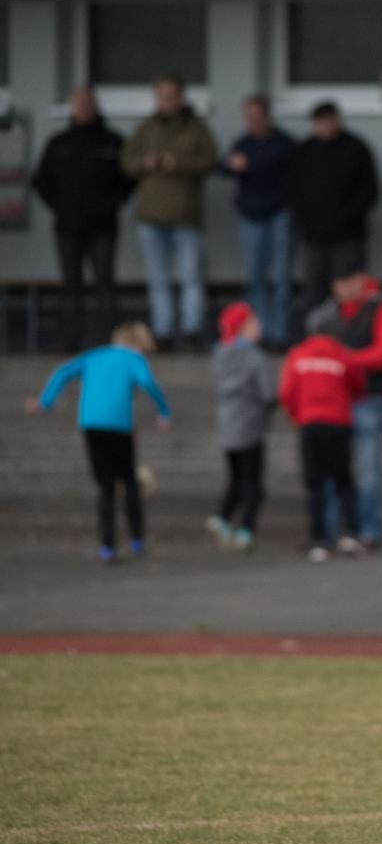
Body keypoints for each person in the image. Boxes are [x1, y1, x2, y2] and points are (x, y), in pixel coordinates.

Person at [26, 322, 171, 562]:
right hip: (120, 427)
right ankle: (137, 540)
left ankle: (108, 546)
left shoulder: (94, 355)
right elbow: (147, 382)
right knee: (129, 482)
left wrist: (46, 401)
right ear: (139, 344)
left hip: (91, 424)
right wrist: (164, 411)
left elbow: (63, 372)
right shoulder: (134, 359)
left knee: (106, 486)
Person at [30, 85, 136, 352]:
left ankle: (110, 339)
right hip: (68, 226)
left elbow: (128, 180)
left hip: (103, 226)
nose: (84, 108)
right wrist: (59, 207)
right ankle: (69, 337)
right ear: (72, 107)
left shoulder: (112, 141)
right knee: (70, 285)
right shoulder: (59, 142)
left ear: (95, 105)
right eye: (79, 103)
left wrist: (110, 205)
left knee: (105, 284)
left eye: (88, 103)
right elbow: (41, 181)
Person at [120, 73, 218, 351]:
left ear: (181, 97)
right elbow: (126, 162)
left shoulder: (196, 127)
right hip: (151, 217)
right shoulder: (147, 128)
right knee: (158, 280)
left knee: (191, 278)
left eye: (171, 95)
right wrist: (146, 163)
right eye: (161, 96)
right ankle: (162, 333)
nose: (166, 101)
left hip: (186, 216)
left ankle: (191, 332)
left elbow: (211, 160)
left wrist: (176, 162)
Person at [280, 308, 365, 563]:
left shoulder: (298, 355)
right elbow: (358, 384)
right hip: (338, 423)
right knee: (344, 481)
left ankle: (318, 540)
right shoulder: (342, 354)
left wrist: (298, 416)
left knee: (315, 483)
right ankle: (350, 534)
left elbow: (287, 393)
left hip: (310, 424)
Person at [287, 102, 378, 340]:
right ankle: (314, 338)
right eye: (321, 122)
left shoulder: (355, 149)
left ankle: (350, 338)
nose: (326, 127)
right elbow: (293, 190)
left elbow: (368, 192)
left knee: (349, 291)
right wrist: (306, 221)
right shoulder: (305, 150)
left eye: (330, 121)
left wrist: (346, 218)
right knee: (313, 291)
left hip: (347, 236)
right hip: (313, 236)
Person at [327, 269, 382, 548]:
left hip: (371, 398)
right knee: (335, 468)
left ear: (358, 281)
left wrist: (346, 359)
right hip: (338, 399)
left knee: (368, 470)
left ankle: (370, 529)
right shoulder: (331, 313)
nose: (339, 290)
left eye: (344, 283)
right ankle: (335, 529)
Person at [222, 95, 295, 349]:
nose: (252, 122)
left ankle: (280, 333)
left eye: (257, 116)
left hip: (278, 214)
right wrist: (231, 165)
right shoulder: (243, 143)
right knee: (255, 278)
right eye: (248, 117)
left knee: (282, 277)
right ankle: (260, 331)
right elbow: (223, 167)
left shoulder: (283, 143)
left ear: (267, 116)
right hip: (251, 216)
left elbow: (295, 175)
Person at [206, 302, 277, 552]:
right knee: (253, 483)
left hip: (227, 426)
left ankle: (223, 518)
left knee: (236, 478)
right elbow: (268, 394)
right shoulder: (256, 358)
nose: (260, 326)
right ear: (244, 326)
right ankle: (246, 528)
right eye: (255, 321)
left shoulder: (219, 354)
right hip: (251, 426)